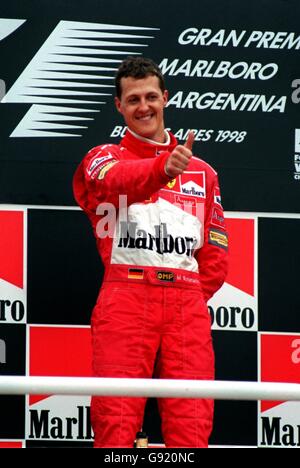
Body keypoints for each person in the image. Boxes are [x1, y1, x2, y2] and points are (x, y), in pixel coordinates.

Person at [73, 56, 228, 448]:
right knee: (116, 419)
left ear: (165, 99)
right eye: (133, 99)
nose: (143, 106)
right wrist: (163, 169)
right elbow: (114, 184)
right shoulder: (103, 158)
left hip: (186, 303)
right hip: (126, 297)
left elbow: (214, 254)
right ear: (119, 106)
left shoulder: (203, 173)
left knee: (192, 421)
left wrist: (187, 295)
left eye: (151, 97)